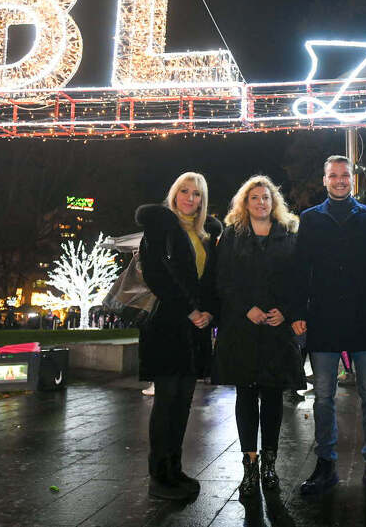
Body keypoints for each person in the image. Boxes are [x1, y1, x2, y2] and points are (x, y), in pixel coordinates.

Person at [292, 155, 366, 496]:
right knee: (322, 397)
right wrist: (298, 311)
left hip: (364, 315)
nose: (339, 180)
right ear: (324, 180)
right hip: (322, 317)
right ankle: (325, 465)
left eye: (344, 175)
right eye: (333, 175)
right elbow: (301, 268)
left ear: (353, 179)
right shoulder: (310, 219)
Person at [212, 175, 306, 498]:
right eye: (255, 198)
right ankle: (249, 465)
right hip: (243, 328)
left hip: (277, 329)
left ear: (274, 201)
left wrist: (287, 310)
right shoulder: (232, 236)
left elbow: (300, 279)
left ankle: (270, 464)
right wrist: (245, 308)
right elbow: (222, 280)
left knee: (273, 396)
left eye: (266, 197)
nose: (261, 202)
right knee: (246, 395)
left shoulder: (289, 235)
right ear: (245, 203)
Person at [135, 171, 221, 501]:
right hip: (168, 326)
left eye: (196, 193)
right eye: (184, 191)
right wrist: (190, 309)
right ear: (173, 194)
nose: (190, 198)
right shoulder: (160, 226)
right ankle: (159, 476)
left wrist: (209, 311)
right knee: (167, 401)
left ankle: (175, 467)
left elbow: (211, 280)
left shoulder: (206, 233)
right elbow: (156, 275)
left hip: (195, 329)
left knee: (183, 403)